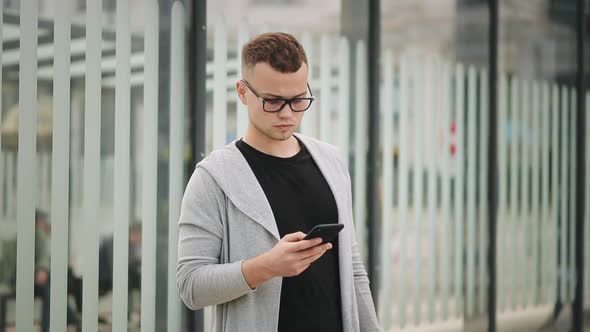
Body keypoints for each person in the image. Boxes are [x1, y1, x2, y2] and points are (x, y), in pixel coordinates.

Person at [176, 32, 380, 331]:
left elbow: (352, 268)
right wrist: (266, 267)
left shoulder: (331, 161)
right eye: (272, 101)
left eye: (298, 100)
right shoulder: (213, 177)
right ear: (243, 93)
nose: (287, 114)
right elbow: (191, 285)